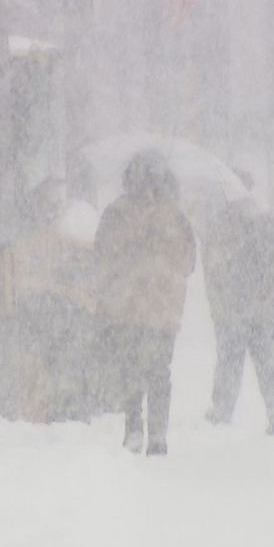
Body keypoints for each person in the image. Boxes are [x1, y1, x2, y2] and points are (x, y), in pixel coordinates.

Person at [93, 150, 196, 455]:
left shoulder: (116, 213)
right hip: (164, 307)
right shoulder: (176, 216)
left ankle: (134, 427)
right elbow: (189, 263)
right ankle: (159, 434)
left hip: (125, 305)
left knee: (129, 368)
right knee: (160, 370)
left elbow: (101, 254)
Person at [202, 199, 274, 435]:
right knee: (268, 362)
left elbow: (211, 270)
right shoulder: (267, 225)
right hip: (260, 310)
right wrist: (271, 294)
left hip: (234, 310)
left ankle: (223, 410)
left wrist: (220, 301)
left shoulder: (221, 227)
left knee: (230, 363)